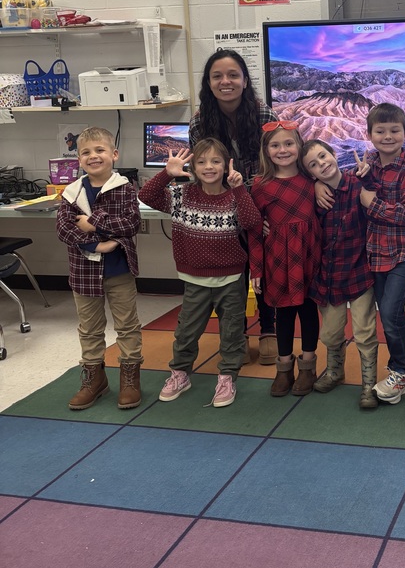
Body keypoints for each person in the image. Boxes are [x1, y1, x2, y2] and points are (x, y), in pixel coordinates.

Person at [139, 139, 259, 408]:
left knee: (231, 332)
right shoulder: (181, 195)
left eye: (216, 161)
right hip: (194, 279)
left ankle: (227, 376)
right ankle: (180, 373)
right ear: (192, 166)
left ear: (227, 165)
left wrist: (239, 190)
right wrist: (166, 174)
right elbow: (146, 196)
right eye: (202, 161)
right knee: (186, 332)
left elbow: (253, 223)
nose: (209, 167)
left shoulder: (233, 196)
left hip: (231, 279)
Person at [189, 48, 278, 366]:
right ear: (208, 82)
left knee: (263, 267)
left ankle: (269, 329)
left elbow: (278, 163)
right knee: (231, 273)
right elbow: (200, 170)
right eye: (217, 76)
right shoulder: (200, 121)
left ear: (244, 80)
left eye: (233, 75)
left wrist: (254, 210)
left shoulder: (263, 114)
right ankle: (236, 333)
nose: (225, 81)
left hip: (261, 202)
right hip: (222, 207)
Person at [56, 127, 142, 411]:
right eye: (86, 153)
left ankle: (130, 377)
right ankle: (95, 377)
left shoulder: (125, 188)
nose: (93, 156)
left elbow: (131, 223)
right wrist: (96, 245)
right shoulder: (71, 193)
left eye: (100, 150)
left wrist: (94, 223)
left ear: (114, 154)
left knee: (127, 325)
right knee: (89, 328)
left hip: (119, 272)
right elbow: (64, 228)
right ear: (79, 159)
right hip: (84, 273)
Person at [359, 103, 405, 405]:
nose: (388, 136)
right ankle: (402, 369)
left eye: (394, 130)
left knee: (389, 312)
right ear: (370, 134)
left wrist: (370, 203)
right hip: (376, 251)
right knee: (391, 313)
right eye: (381, 131)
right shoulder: (367, 165)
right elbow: (348, 188)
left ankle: (404, 369)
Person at [302, 140, 379, 410]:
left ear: (334, 154)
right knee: (330, 335)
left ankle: (369, 384)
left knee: (364, 331)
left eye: (323, 156)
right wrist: (313, 187)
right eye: (313, 164)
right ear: (310, 173)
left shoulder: (357, 184)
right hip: (329, 275)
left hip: (359, 272)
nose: (322, 164)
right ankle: (335, 371)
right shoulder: (314, 195)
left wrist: (368, 176)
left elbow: (378, 193)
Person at [249, 122, 322, 397]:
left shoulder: (312, 181)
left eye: (289, 144)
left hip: (308, 257)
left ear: (299, 146)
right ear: (266, 151)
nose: (283, 150)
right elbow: (255, 231)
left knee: (308, 310)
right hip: (277, 259)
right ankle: (283, 368)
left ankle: (308, 367)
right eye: (275, 145)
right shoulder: (261, 186)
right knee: (284, 313)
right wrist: (256, 267)